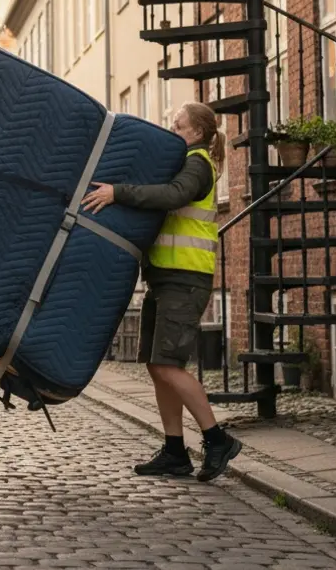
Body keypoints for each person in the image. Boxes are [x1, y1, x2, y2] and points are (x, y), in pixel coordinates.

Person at [80, 102, 242, 482]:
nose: (173, 130)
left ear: (197, 133)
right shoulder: (184, 161)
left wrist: (119, 193)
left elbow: (172, 196)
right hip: (165, 277)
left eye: (178, 126)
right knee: (158, 366)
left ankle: (217, 440)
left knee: (168, 365)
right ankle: (174, 451)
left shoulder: (198, 163)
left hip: (185, 278)